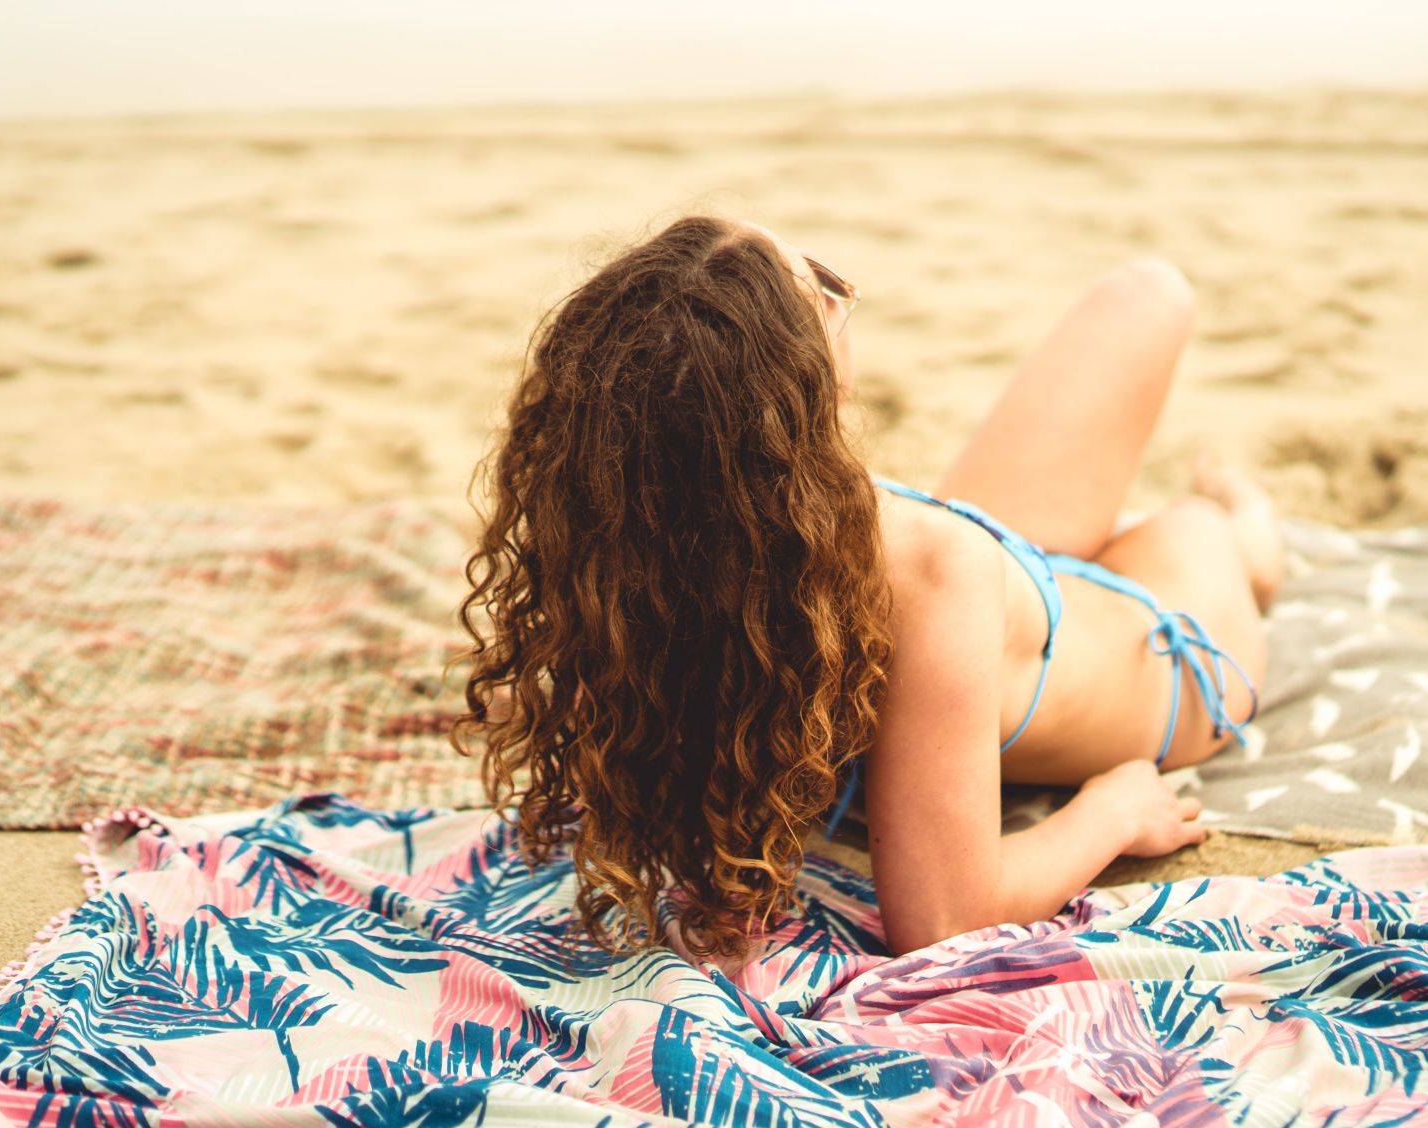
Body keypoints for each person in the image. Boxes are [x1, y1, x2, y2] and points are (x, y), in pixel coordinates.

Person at [453, 213, 1281, 961]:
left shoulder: (673, 530)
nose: (843, 292)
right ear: (816, 384)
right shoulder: (929, 567)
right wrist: (1113, 811)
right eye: (825, 287)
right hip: (1171, 657)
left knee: (1147, 295)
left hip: (1018, 588)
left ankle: (1184, 523)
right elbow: (947, 921)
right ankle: (1253, 530)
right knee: (1199, 531)